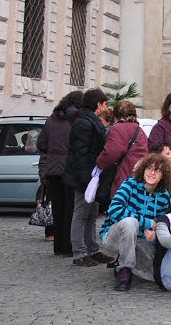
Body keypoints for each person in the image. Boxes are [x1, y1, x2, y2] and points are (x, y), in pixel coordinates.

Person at [99, 153, 171, 291]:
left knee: (155, 275)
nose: (152, 173)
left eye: (157, 170)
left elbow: (159, 224)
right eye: (149, 168)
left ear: (163, 175)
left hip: (141, 240)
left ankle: (124, 261)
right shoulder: (130, 184)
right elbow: (114, 209)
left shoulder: (164, 196)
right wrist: (145, 222)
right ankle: (124, 269)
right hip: (114, 236)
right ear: (143, 169)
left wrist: (154, 235)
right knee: (130, 222)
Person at [64, 87, 111, 267]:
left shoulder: (87, 120)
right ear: (98, 104)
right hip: (85, 176)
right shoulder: (83, 123)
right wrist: (87, 178)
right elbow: (80, 154)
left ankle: (92, 249)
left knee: (91, 213)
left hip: (92, 175)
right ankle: (79, 253)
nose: (106, 107)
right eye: (104, 103)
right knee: (81, 213)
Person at [38, 90, 82, 257]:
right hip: (70, 169)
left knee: (57, 209)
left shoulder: (51, 121)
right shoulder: (76, 121)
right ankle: (68, 246)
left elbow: (41, 143)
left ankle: (58, 247)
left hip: (53, 171)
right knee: (70, 209)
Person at [96, 100, 149, 206]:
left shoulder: (117, 129)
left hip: (122, 178)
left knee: (118, 213)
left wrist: (99, 162)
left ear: (115, 116)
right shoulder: (140, 130)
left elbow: (111, 154)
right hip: (139, 178)